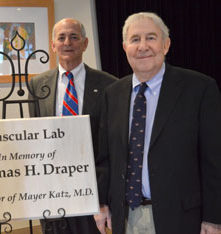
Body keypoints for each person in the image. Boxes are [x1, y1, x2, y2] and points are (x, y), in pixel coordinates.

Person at [94, 12, 221, 234]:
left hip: (182, 219)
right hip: (126, 218)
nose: (143, 46)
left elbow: (214, 160)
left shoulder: (199, 89)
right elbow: (105, 158)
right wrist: (103, 202)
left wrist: (213, 218)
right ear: (125, 47)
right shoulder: (112, 94)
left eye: (151, 37)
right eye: (135, 39)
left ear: (166, 44)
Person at [28, 18, 117, 234]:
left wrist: (104, 197)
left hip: (92, 189)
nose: (67, 42)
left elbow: (111, 146)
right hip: (52, 188)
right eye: (61, 37)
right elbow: (35, 137)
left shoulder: (109, 85)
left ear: (85, 43)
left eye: (74, 37)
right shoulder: (37, 84)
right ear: (53, 45)